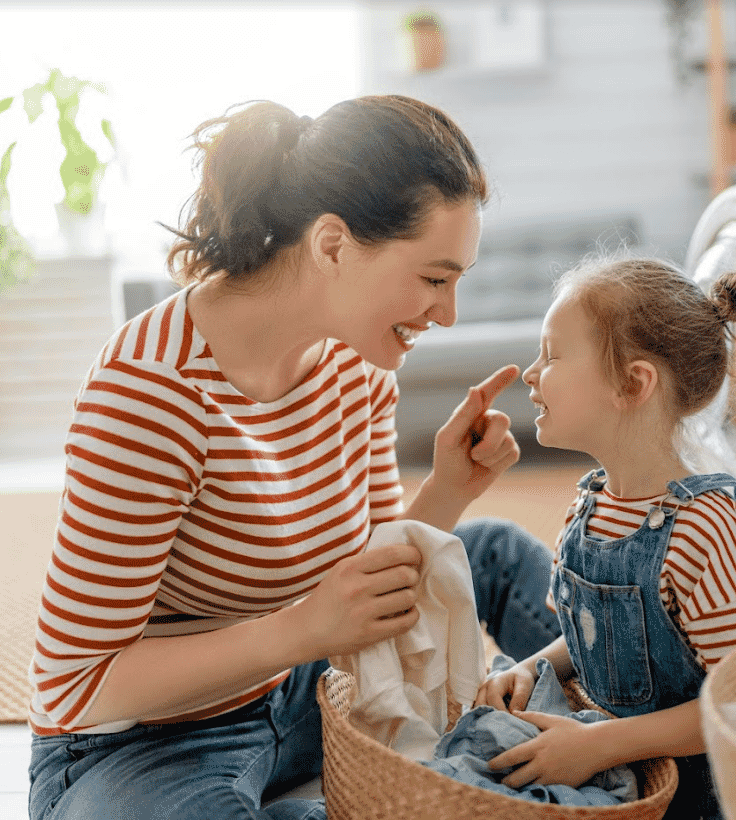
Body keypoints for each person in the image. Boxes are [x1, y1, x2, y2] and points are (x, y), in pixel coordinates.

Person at [26, 95, 522, 820]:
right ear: (331, 246)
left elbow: (366, 585)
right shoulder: (151, 392)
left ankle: (623, 728)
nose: (447, 314)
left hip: (300, 691)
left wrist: (449, 489)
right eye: (434, 279)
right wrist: (298, 631)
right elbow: (75, 684)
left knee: (496, 548)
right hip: (142, 742)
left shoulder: (358, 365)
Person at [459, 255, 736, 819]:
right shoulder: (590, 506)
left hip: (695, 795)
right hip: (605, 763)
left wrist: (596, 747)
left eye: (552, 355)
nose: (532, 374)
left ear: (634, 383)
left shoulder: (706, 530)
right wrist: (531, 668)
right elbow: (593, 637)